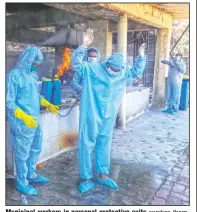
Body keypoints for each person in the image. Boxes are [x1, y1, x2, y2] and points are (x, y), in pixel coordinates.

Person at [71, 29, 147, 193]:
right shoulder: (93, 69)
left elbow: (135, 72)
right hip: (91, 114)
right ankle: (85, 178)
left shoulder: (122, 73)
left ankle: (103, 175)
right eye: (113, 68)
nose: (115, 72)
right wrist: (83, 46)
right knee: (86, 143)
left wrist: (141, 57)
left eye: (118, 70)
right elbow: (76, 65)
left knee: (104, 144)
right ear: (108, 63)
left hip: (108, 116)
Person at [6, 46, 59, 196]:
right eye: (33, 63)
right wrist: (23, 116)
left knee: (35, 147)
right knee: (22, 153)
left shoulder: (32, 75)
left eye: (37, 64)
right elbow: (9, 102)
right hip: (22, 122)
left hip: (34, 120)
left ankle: (31, 173)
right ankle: (22, 182)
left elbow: (35, 96)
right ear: (26, 59)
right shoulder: (13, 76)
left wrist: (47, 103)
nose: (35, 66)